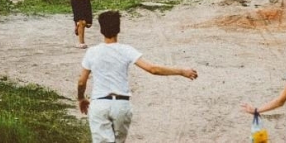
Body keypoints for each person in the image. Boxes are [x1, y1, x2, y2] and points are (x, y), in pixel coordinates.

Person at [77, 10, 198, 143]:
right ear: (118, 29)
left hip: (100, 103)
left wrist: (81, 98)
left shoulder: (92, 52)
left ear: (101, 30)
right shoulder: (126, 50)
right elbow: (153, 69)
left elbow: (82, 82)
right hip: (121, 105)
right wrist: (181, 71)